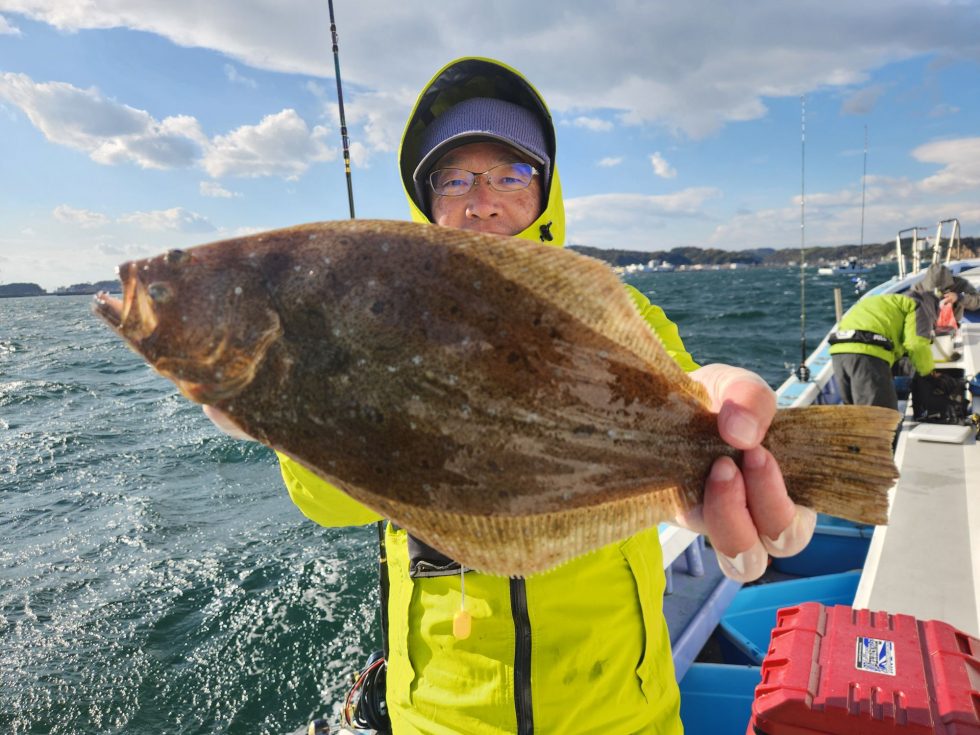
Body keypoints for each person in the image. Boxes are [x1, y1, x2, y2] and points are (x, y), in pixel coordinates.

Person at [207, 57, 815, 734]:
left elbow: (693, 396)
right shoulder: (377, 325)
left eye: (510, 174)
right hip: (441, 717)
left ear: (544, 191)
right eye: (456, 178)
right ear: (427, 199)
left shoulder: (614, 312)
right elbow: (326, 503)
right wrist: (290, 416)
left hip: (620, 711)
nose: (481, 199)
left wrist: (747, 447)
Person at [829, 291, 937, 412]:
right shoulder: (916, 306)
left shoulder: (876, 302)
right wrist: (928, 373)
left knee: (856, 417)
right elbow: (916, 345)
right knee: (883, 419)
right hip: (866, 354)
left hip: (838, 353)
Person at [911, 262, 980, 325]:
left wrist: (959, 297)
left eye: (943, 290)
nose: (939, 293)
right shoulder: (918, 288)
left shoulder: (961, 284)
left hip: (953, 324)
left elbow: (977, 301)